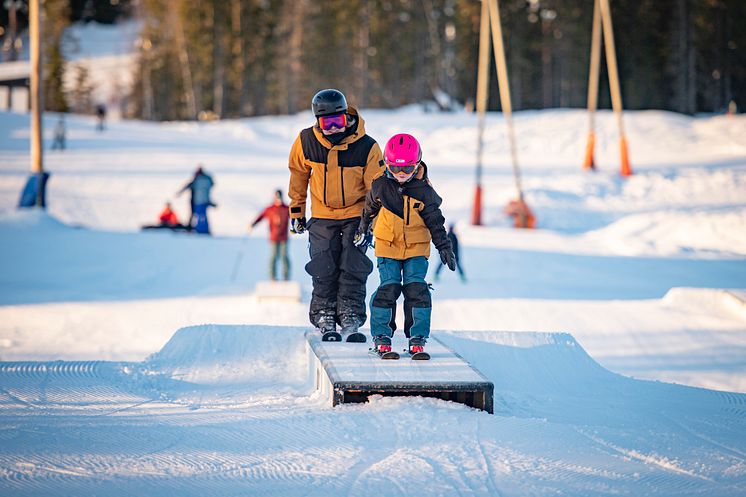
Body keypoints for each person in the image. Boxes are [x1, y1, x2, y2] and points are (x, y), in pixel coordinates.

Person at [288, 88, 384, 340]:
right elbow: (298, 175)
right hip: (322, 214)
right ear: (317, 121)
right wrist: (297, 210)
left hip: (356, 214)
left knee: (353, 262)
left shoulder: (367, 146)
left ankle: (350, 312)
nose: (333, 128)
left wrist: (370, 223)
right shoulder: (306, 141)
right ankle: (324, 312)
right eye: (326, 122)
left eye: (337, 121)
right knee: (323, 263)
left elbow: (377, 188)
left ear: (346, 117)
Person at [355, 133, 456, 358]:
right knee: (388, 287)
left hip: (416, 247)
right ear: (387, 165)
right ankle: (382, 336)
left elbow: (435, 221)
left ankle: (417, 337)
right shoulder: (381, 186)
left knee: (416, 288)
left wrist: (444, 246)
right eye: (395, 169)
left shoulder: (424, 192)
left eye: (408, 170)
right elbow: (369, 208)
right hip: (387, 244)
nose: (401, 175)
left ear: (417, 165)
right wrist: (363, 228)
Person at [250, 189, 291, 281]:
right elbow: (260, 217)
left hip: (284, 237)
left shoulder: (286, 208)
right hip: (273, 237)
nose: (278, 199)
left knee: (284, 256)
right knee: (273, 256)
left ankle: (286, 276)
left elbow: (293, 217)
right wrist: (252, 225)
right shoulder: (270, 209)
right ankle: (272, 277)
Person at [177, 166, 215, 234]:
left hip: (197, 201)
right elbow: (212, 184)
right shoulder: (208, 180)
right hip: (205, 201)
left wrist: (180, 192)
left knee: (198, 216)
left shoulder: (197, 180)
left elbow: (188, 186)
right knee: (203, 216)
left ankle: (199, 229)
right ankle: (205, 229)